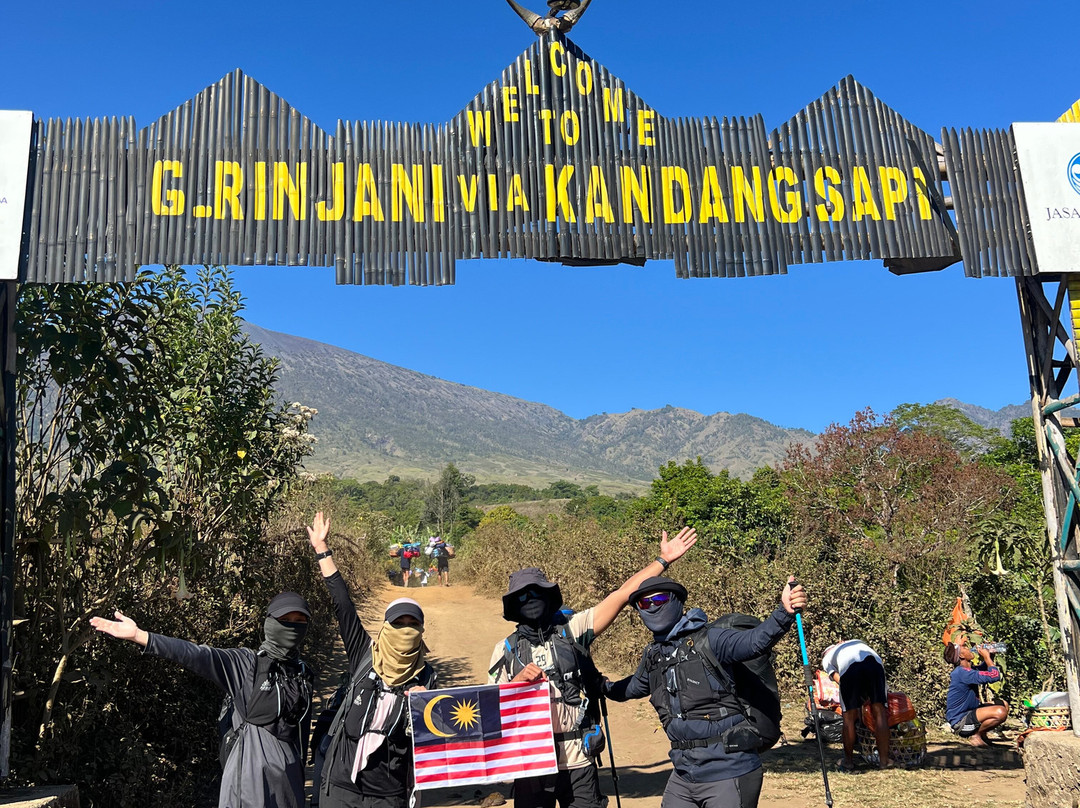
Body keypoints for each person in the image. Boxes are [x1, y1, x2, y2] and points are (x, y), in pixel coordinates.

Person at [489, 527, 699, 808]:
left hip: (578, 758)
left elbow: (621, 595)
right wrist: (516, 682)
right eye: (523, 597)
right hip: (531, 761)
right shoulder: (505, 650)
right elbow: (490, 709)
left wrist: (663, 561)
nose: (530, 601)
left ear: (548, 596)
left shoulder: (572, 630)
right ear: (514, 605)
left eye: (536, 593)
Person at [90, 593, 315, 808]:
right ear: (269, 621)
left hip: (289, 785)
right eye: (285, 620)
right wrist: (140, 636)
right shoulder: (247, 665)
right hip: (250, 785)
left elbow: (301, 735)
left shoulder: (303, 673)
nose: (293, 627)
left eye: (299, 621)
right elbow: (197, 655)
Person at [604, 574, 806, 808]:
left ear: (677, 601)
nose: (652, 606)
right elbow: (632, 688)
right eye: (644, 603)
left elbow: (755, 641)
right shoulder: (655, 656)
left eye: (658, 599)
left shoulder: (710, 640)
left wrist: (784, 612)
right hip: (684, 774)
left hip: (730, 771)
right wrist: (602, 685)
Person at [307, 512, 436, 808]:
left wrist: (426, 706)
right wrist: (322, 550)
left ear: (421, 630)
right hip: (341, 786)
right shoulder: (365, 654)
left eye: (412, 624)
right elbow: (343, 605)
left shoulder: (426, 677)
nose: (405, 630)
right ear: (386, 626)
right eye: (398, 623)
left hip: (388, 795)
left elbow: (442, 734)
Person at [820, 640, 890, 771]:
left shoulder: (827, 658)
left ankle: (848, 761)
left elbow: (839, 679)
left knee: (849, 717)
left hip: (850, 669)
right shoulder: (856, 643)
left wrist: (853, 699)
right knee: (880, 712)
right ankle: (884, 761)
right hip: (875, 665)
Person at [944, 641, 1009, 747]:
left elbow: (983, 670)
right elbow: (994, 675)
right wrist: (986, 657)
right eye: (965, 648)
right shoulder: (962, 673)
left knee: (1003, 704)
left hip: (970, 713)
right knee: (1000, 712)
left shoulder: (967, 670)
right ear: (961, 656)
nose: (969, 648)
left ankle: (982, 734)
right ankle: (976, 735)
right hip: (961, 722)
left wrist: (990, 654)